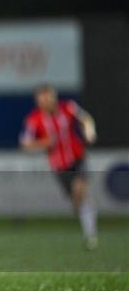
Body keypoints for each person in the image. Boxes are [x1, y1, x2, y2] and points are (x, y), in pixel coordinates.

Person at [20, 84, 98, 250]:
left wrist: (89, 132)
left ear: (53, 97)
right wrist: (44, 143)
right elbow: (25, 144)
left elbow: (85, 118)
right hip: (60, 167)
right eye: (41, 99)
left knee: (80, 189)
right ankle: (84, 217)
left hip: (78, 158)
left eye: (47, 97)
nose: (45, 102)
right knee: (78, 200)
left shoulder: (68, 107)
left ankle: (90, 236)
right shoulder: (34, 119)